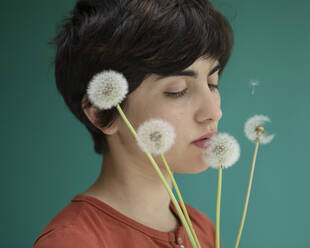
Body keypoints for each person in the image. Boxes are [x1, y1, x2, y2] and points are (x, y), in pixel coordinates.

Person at [33, 0, 233, 247]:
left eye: (212, 84)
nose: (214, 112)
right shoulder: (74, 241)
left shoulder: (203, 230)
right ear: (100, 111)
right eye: (177, 90)